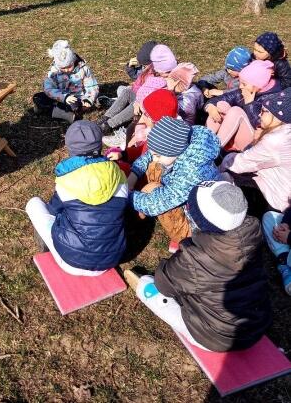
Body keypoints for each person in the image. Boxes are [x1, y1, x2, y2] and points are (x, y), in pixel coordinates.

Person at [124, 181, 272, 352]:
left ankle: (143, 286)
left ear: (201, 220)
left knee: (149, 287)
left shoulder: (194, 258)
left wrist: (171, 263)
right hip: (257, 324)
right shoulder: (252, 237)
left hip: (215, 337)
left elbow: (164, 284)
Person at [25, 121, 129, 275]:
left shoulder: (67, 179)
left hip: (70, 261)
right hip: (112, 258)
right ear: (99, 145)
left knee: (34, 204)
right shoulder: (119, 176)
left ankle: (49, 244)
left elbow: (52, 211)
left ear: (70, 148)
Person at [128, 117, 220, 250]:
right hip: (182, 192)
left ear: (174, 151)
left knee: (154, 190)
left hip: (195, 227)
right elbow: (151, 154)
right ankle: (142, 205)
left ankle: (181, 237)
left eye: (158, 155)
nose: (154, 157)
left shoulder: (191, 172)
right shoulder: (183, 142)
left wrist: (129, 196)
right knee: (153, 166)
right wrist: (134, 175)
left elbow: (158, 202)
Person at [220, 88, 291, 213]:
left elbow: (239, 165)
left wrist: (222, 163)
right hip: (281, 187)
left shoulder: (275, 140)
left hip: (275, 198)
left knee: (225, 177)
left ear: (279, 117)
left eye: (264, 111)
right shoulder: (285, 132)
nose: (259, 114)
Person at [98, 44, 177, 145]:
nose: (144, 67)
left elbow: (152, 97)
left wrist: (138, 102)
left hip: (146, 105)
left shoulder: (164, 79)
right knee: (126, 92)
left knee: (132, 106)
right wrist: (130, 68)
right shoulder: (151, 70)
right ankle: (106, 117)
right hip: (137, 95)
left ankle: (108, 125)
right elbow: (137, 78)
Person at [205, 59, 282, 151]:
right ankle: (203, 142)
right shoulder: (247, 90)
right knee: (221, 105)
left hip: (256, 143)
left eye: (244, 84)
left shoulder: (273, 99)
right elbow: (221, 98)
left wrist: (249, 104)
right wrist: (210, 107)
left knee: (236, 111)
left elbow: (262, 126)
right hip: (240, 134)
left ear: (258, 85)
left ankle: (212, 151)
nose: (240, 86)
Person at [33, 40, 99, 124]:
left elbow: (92, 86)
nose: (67, 70)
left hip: (77, 99)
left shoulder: (83, 69)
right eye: (63, 68)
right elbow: (48, 88)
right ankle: (64, 113)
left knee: (74, 105)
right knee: (38, 97)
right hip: (60, 97)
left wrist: (89, 99)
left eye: (69, 66)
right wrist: (64, 97)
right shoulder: (54, 72)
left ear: (73, 60)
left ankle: (65, 113)